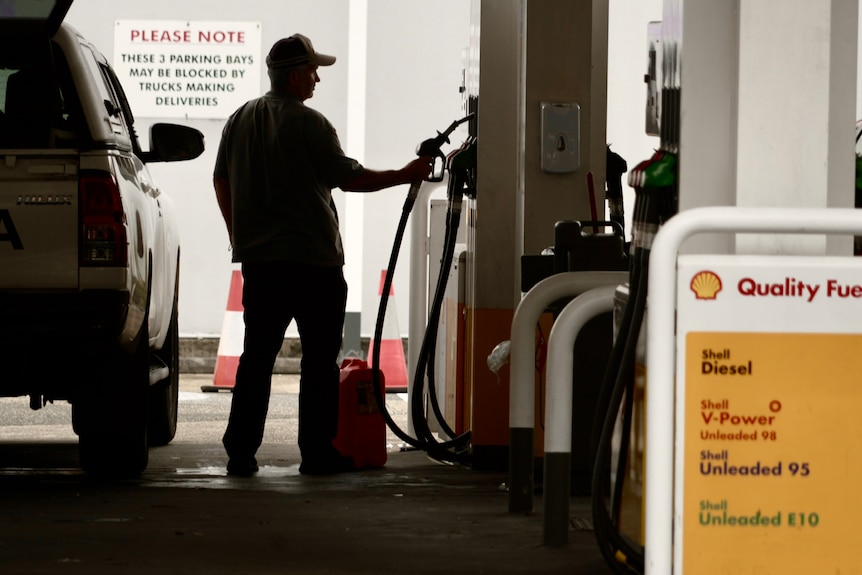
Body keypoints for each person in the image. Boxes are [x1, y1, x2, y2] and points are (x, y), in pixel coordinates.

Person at [213, 33, 432, 476]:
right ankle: (316, 452)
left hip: (261, 263)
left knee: (256, 358)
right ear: (294, 77)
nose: (317, 79)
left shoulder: (239, 119)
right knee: (318, 361)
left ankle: (240, 452)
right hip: (313, 264)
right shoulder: (310, 123)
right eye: (312, 71)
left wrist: (240, 236)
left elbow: (221, 181)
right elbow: (348, 177)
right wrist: (406, 174)